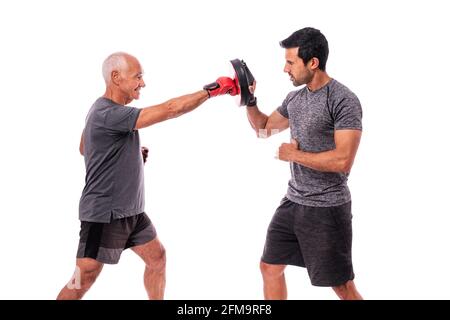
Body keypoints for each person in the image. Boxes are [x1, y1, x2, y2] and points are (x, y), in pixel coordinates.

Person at [57, 52, 238, 299]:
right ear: (116, 77)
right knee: (83, 277)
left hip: (132, 212)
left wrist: (126, 154)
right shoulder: (107, 113)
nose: (142, 83)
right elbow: (171, 109)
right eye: (138, 77)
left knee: (157, 258)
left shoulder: (103, 111)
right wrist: (212, 91)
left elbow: (84, 147)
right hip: (104, 214)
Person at [246, 28, 363, 300]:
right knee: (269, 267)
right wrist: (249, 99)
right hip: (293, 201)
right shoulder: (295, 99)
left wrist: (295, 155)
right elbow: (263, 128)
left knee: (342, 287)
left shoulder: (343, 100)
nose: (284, 69)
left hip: (327, 208)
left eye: (290, 63)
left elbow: (344, 159)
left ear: (313, 63)